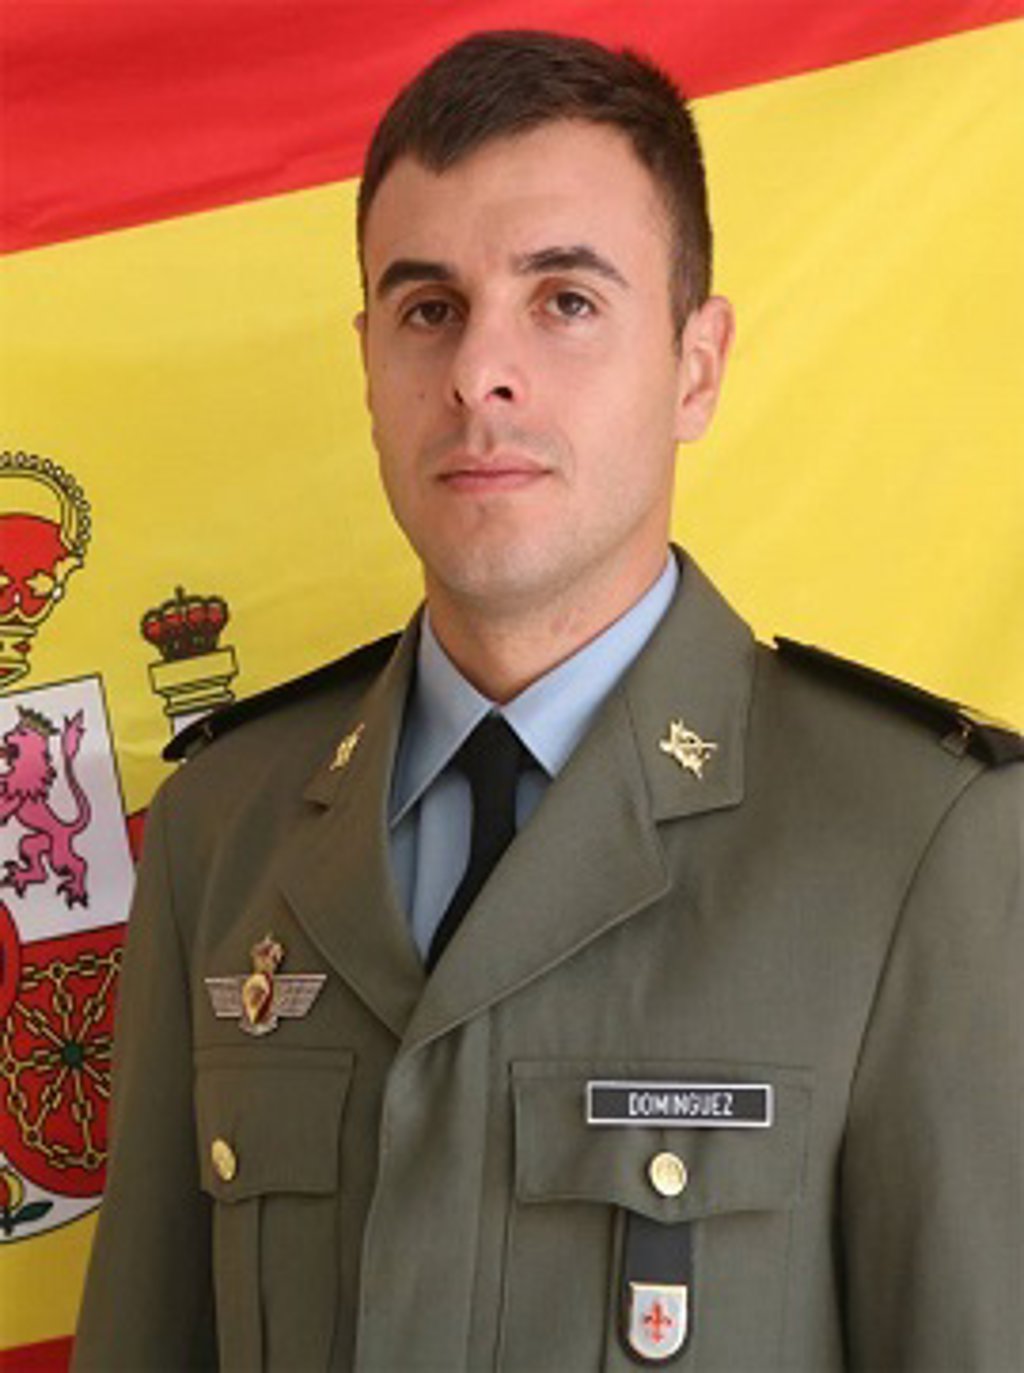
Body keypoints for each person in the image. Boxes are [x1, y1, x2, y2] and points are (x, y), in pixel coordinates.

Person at [73, 29, 1022, 1373]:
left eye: (565, 300)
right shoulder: (223, 828)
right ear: (368, 361)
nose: (479, 373)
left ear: (696, 366)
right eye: (428, 309)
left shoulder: (916, 845)